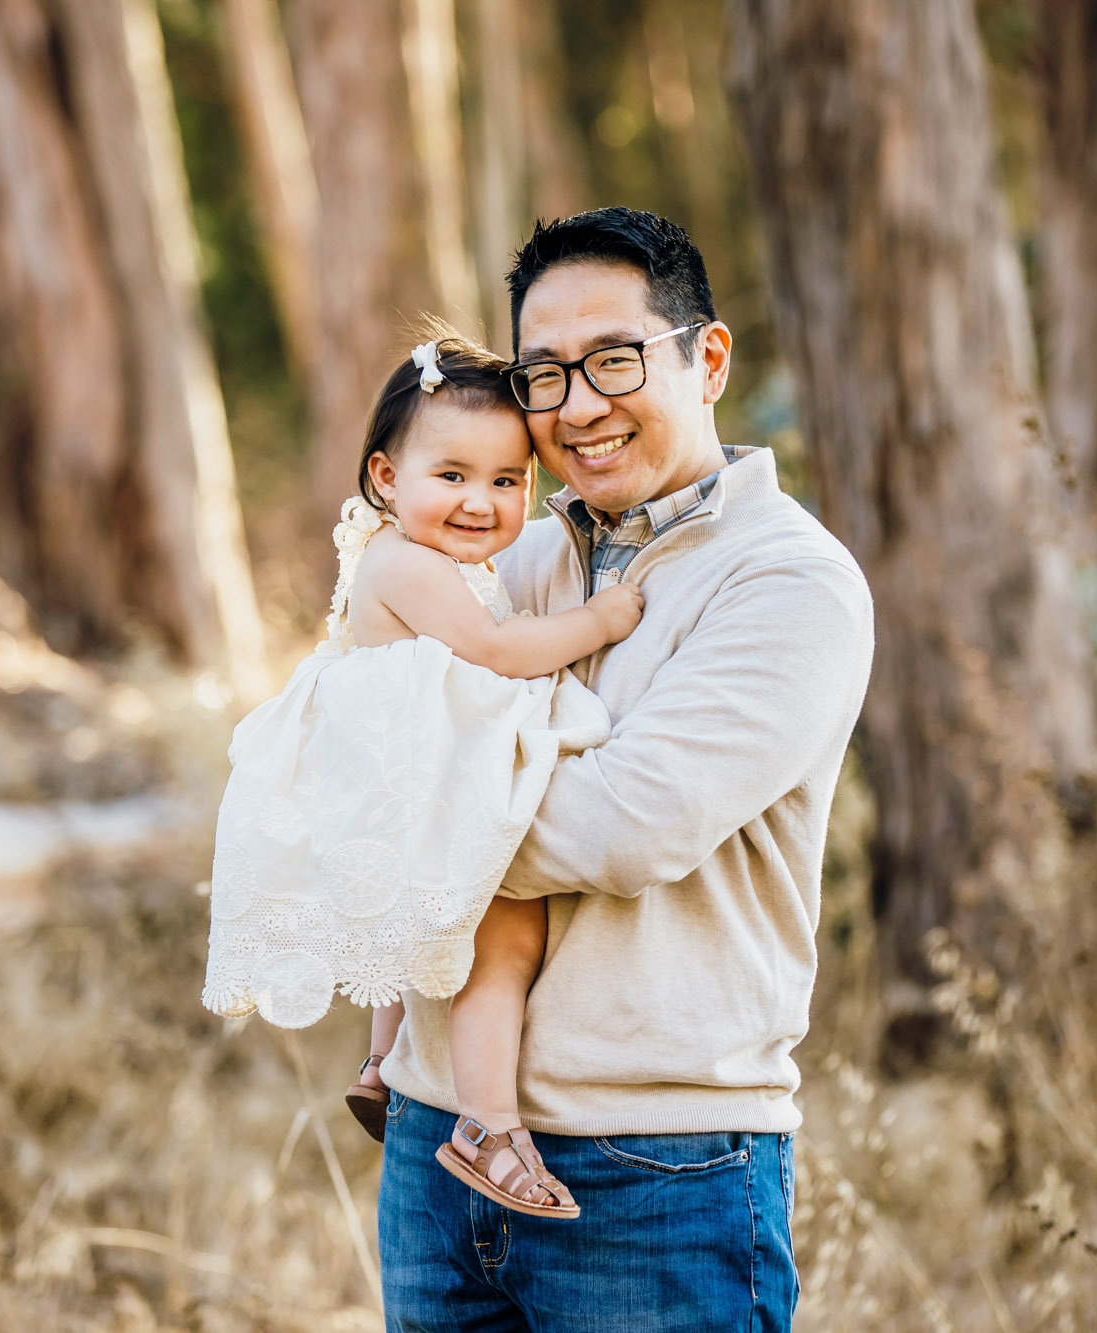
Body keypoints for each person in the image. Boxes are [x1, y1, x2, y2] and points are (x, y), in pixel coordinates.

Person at [373, 208, 876, 1331]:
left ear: (707, 359)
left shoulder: (787, 583)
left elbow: (620, 828)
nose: (578, 406)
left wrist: (397, 801)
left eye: (612, 359)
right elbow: (353, 721)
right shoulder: (511, 551)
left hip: (655, 1167)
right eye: (543, 374)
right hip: (433, 1141)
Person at [201, 330, 644, 1220]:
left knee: (416, 928)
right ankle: (488, 1125)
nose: (482, 501)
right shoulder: (405, 561)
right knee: (506, 935)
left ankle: (382, 1060)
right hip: (414, 774)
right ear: (384, 478)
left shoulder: (430, 558)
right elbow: (495, 649)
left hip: (406, 771)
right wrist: (600, 619)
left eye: (507, 480)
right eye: (453, 475)